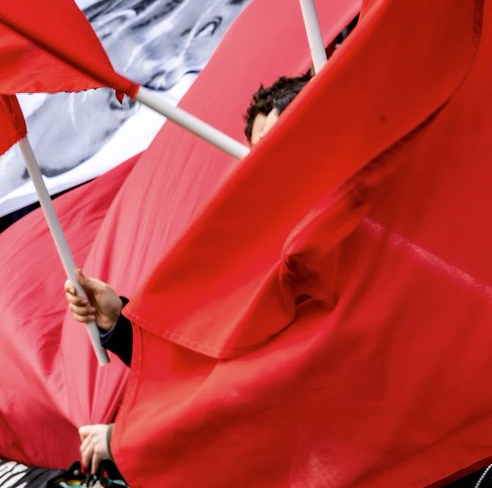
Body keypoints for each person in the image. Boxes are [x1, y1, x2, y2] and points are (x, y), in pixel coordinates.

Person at [66, 73, 312, 472]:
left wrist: (135, 437)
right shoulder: (263, 257)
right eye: (254, 150)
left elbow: (271, 381)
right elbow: (214, 360)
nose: (259, 166)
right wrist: (118, 322)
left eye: (278, 144)